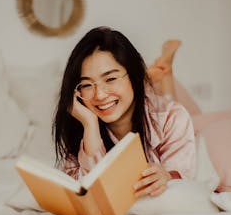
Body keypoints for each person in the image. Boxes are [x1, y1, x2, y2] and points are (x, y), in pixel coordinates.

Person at [53, 26, 196, 198]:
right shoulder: (80, 126)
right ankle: (156, 76)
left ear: (133, 74)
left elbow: (185, 181)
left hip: (166, 114)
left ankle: (163, 71)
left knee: (181, 109)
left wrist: (167, 176)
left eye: (111, 79)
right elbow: (82, 194)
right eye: (87, 84)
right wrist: (90, 125)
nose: (99, 94)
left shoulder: (172, 118)